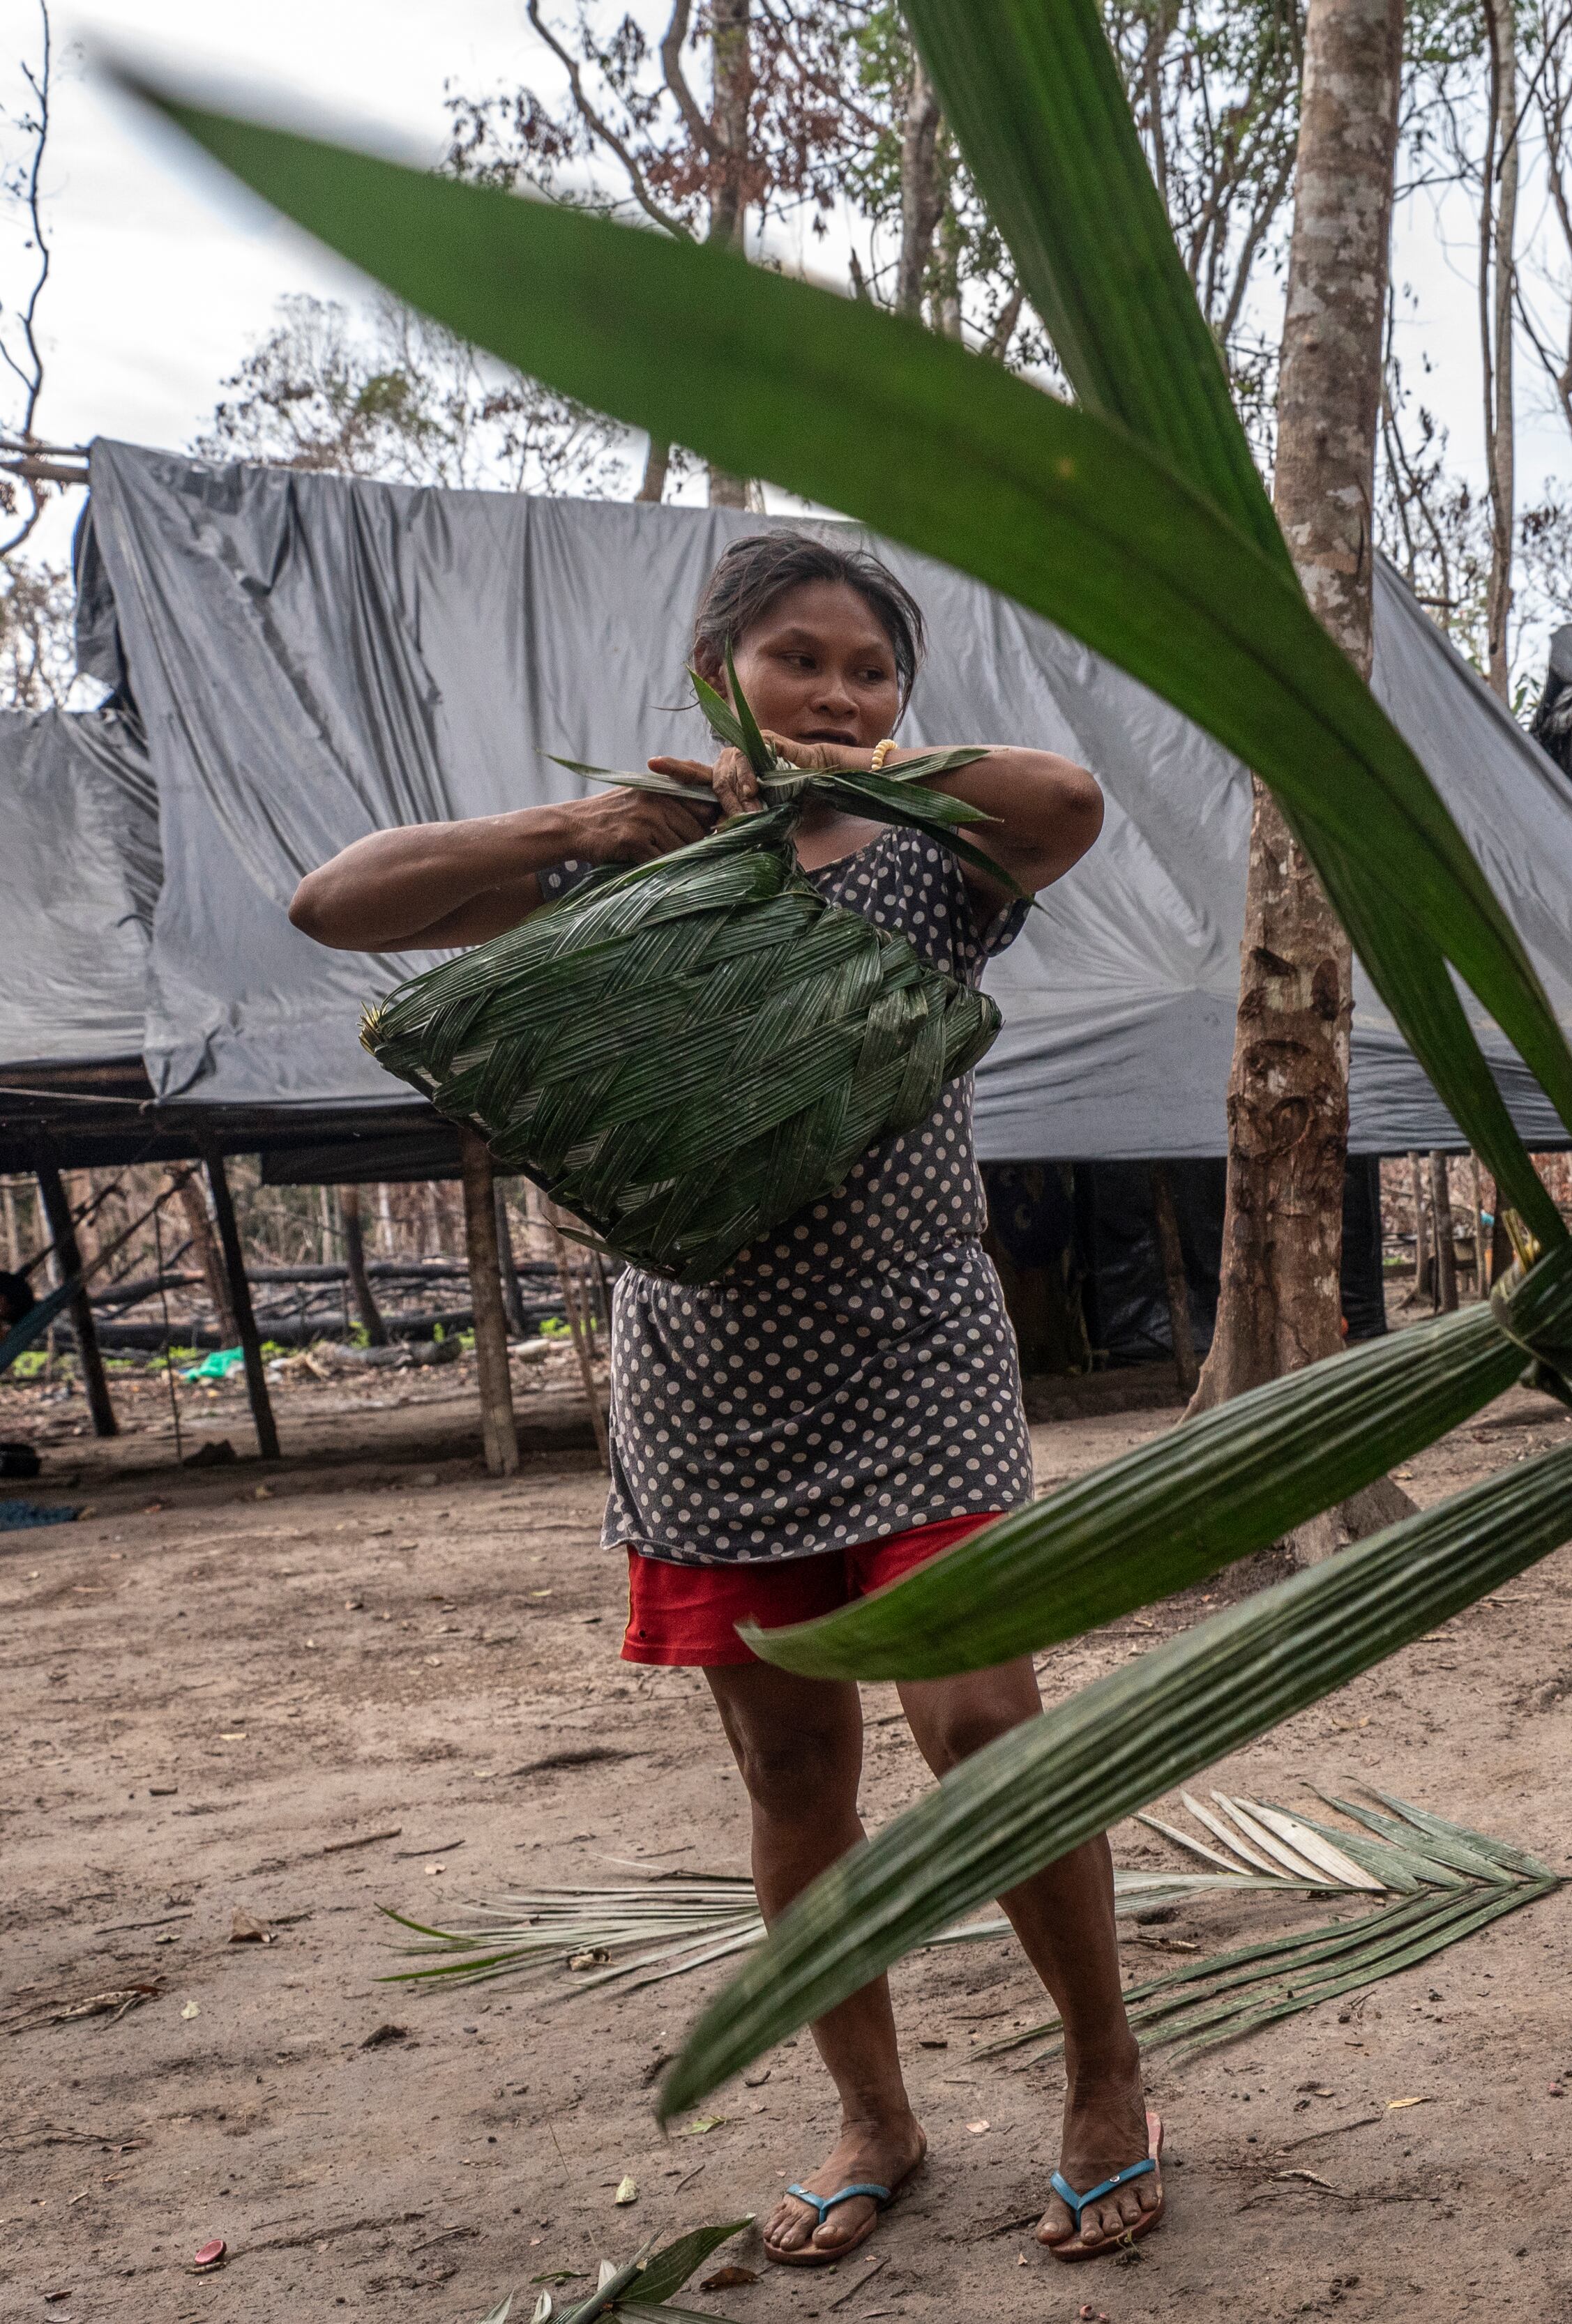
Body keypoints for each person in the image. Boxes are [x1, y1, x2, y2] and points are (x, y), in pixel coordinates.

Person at [289, 534, 1163, 2270]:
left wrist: (860, 771)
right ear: (716, 672)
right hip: (709, 1379)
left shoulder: (935, 855)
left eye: (869, 667)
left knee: (986, 1724)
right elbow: (335, 904)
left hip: (915, 1350)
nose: (836, 690)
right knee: (790, 1768)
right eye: (796, 659)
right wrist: (587, 825)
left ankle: (1105, 2075)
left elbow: (1065, 799)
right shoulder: (618, 863)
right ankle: (875, 2117)